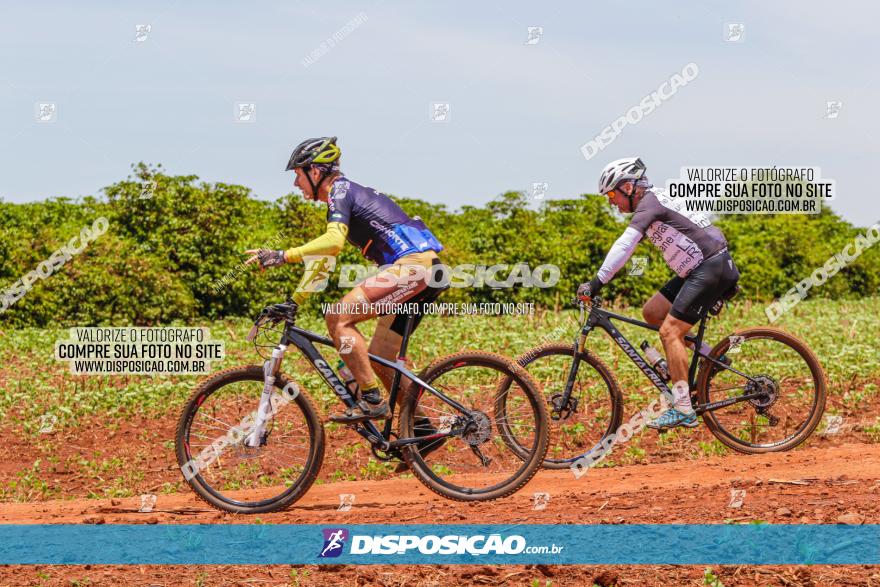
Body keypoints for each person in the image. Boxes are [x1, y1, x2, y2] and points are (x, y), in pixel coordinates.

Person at [245, 136, 444, 424]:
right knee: (379, 356)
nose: (295, 184)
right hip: (427, 270)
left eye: (297, 175)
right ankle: (421, 428)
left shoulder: (340, 191)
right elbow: (325, 259)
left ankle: (373, 400)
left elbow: (333, 243)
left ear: (314, 172)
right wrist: (294, 301)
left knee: (338, 317)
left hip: (415, 267)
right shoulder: (343, 195)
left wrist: (283, 255)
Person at [577, 157, 740, 429]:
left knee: (669, 332)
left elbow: (625, 245)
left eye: (612, 194)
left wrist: (595, 283)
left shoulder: (649, 204)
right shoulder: (655, 201)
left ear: (628, 188)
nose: (611, 202)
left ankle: (683, 408)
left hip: (709, 267)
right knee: (652, 312)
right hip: (702, 267)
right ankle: (713, 357)